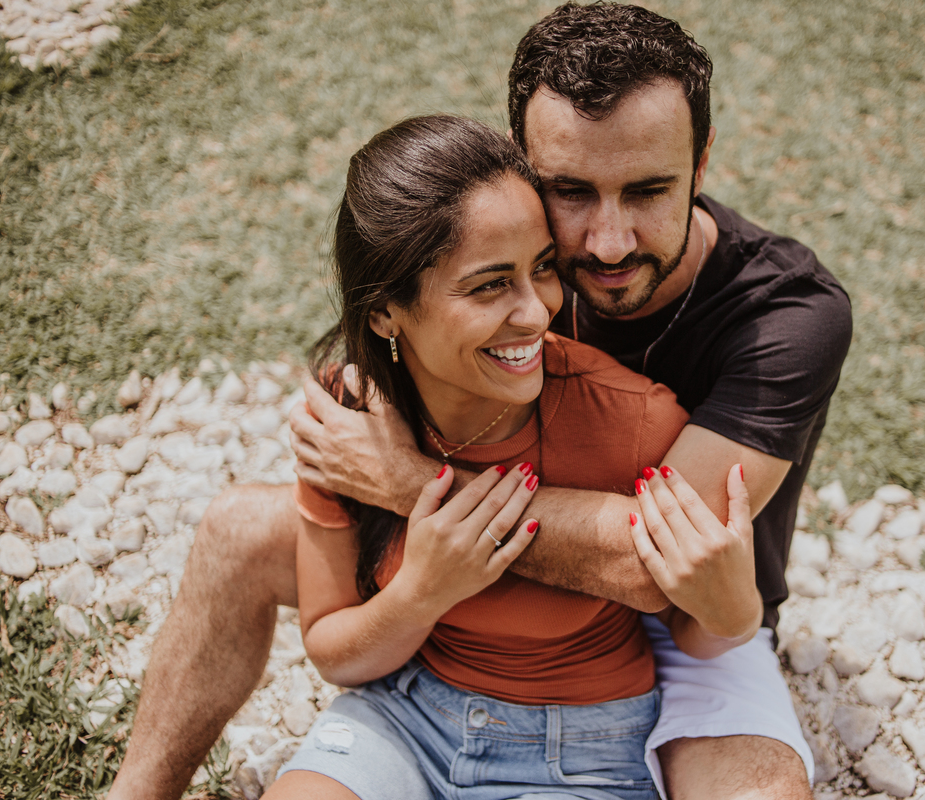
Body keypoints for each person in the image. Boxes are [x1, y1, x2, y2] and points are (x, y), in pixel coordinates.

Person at [109, 4, 851, 799]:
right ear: (524, 170)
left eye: (648, 190)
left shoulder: (788, 314)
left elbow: (654, 565)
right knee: (237, 530)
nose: (607, 242)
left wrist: (407, 482)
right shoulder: (509, 257)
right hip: (479, 580)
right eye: (570, 191)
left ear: (701, 163)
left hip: (695, 609)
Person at [260, 114, 756, 799]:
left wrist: (734, 612)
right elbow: (333, 653)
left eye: (542, 268)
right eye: (491, 284)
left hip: (581, 750)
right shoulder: (348, 419)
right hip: (404, 717)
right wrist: (421, 593)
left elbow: (689, 622)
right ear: (384, 311)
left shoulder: (635, 422)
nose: (536, 311)